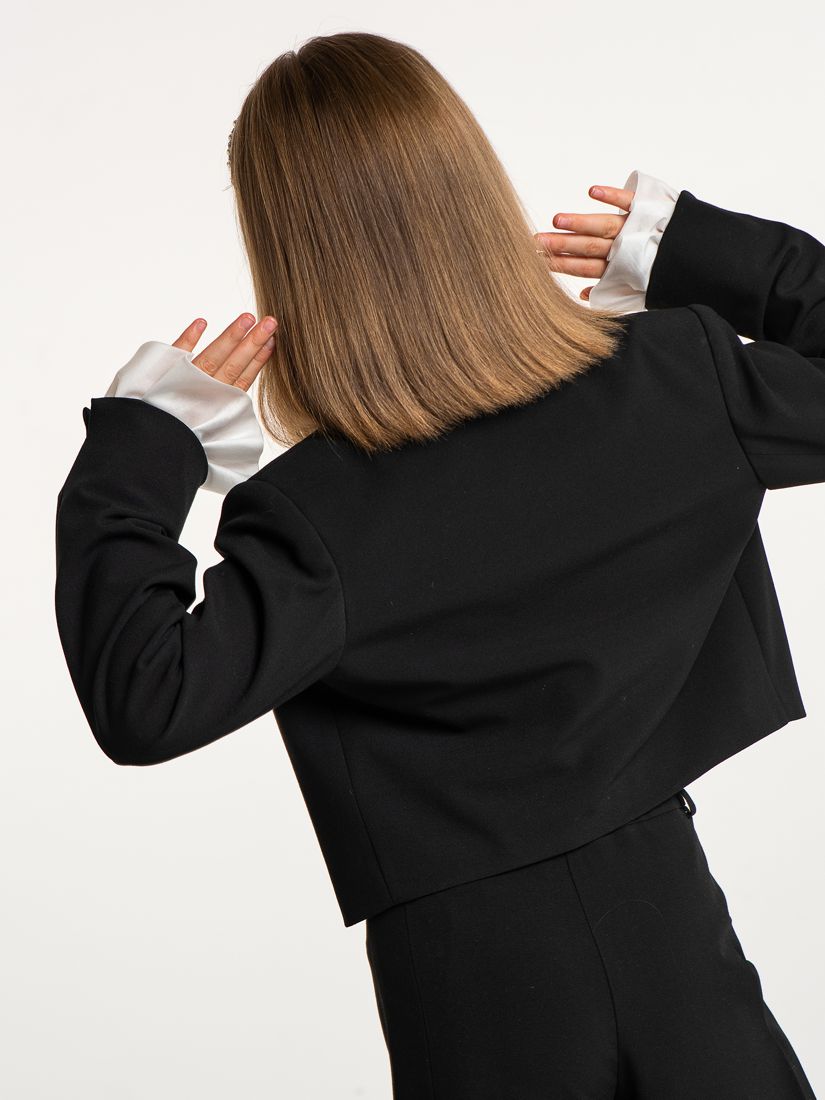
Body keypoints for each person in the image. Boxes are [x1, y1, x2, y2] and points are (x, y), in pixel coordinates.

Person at [54, 30, 820, 1099]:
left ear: (288, 252)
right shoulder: (673, 382)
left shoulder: (314, 516)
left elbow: (145, 695)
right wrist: (697, 249)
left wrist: (145, 448)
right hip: (677, 944)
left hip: (472, 993)